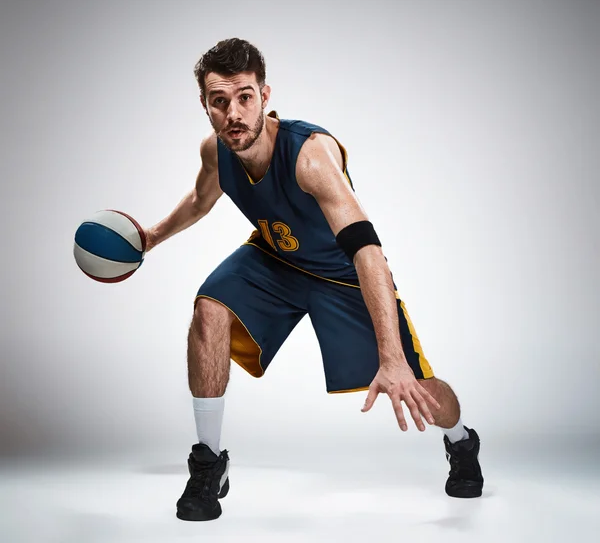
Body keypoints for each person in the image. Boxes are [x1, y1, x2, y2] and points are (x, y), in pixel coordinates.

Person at [144, 38, 484, 521]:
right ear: (205, 106)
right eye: (220, 101)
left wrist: (391, 358)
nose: (233, 113)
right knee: (209, 307)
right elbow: (201, 199)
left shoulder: (310, 155)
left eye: (244, 96)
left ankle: (461, 438)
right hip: (275, 259)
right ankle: (207, 464)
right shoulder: (217, 152)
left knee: (417, 387)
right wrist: (150, 237)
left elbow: (367, 249)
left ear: (265, 95)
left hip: (345, 274)